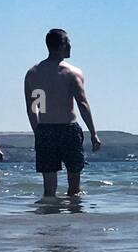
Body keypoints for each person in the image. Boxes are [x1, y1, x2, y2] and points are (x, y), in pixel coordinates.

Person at [24, 28, 101, 197]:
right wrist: (94, 133)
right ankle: (74, 219)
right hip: (68, 129)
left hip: (45, 128)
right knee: (74, 188)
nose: (71, 47)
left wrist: (38, 132)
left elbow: (34, 107)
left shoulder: (33, 73)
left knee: (49, 191)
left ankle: (51, 221)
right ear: (62, 45)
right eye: (68, 43)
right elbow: (82, 103)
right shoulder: (72, 73)